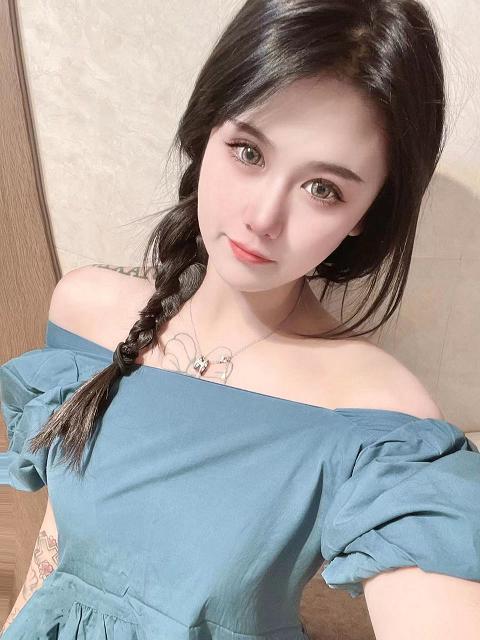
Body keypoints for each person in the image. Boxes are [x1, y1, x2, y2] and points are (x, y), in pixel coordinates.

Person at [1, 0, 480, 638]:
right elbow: (58, 547)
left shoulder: (378, 417)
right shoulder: (88, 312)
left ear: (366, 214)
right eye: (249, 151)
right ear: (207, 132)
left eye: (324, 189)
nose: (263, 217)